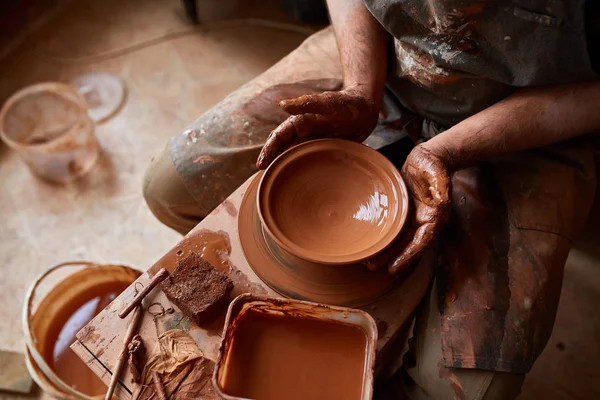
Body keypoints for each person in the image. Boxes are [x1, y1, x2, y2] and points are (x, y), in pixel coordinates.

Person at [143, 0, 600, 398]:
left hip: (529, 120)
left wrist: (448, 149)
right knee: (172, 188)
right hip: (390, 58)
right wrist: (361, 88)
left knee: (470, 387)